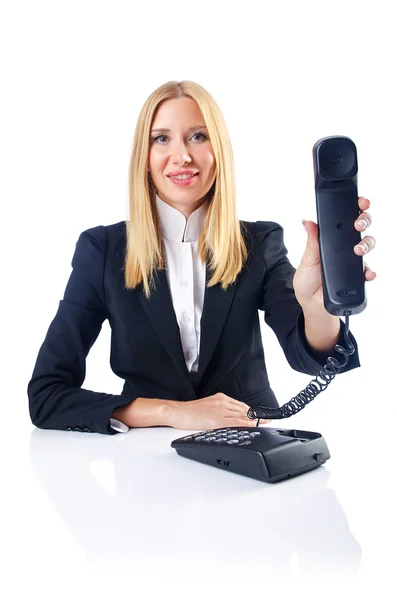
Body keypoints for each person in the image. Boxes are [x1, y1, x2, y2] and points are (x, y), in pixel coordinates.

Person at [27, 80, 376, 435]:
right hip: (144, 457)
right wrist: (174, 412)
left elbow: (309, 358)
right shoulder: (102, 249)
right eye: (161, 138)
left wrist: (316, 305)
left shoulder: (259, 242)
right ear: (144, 157)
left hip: (251, 450)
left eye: (198, 136)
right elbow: (47, 395)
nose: (182, 156)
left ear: (218, 150)